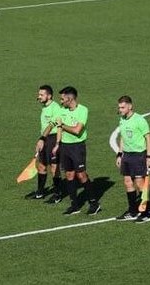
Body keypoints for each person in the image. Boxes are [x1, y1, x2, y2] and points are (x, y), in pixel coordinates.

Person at [54, 86, 101, 215]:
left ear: (70, 98)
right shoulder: (62, 110)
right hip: (65, 146)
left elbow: (77, 130)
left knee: (81, 175)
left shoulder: (83, 110)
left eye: (62, 99)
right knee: (69, 175)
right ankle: (74, 205)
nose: (61, 101)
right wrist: (57, 143)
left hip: (77, 147)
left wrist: (62, 125)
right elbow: (58, 129)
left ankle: (94, 203)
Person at [115, 95, 150, 223]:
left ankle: (145, 213)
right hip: (127, 155)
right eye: (119, 107)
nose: (120, 109)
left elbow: (148, 138)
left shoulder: (139, 120)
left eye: (122, 107)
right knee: (127, 182)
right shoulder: (122, 119)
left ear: (130, 106)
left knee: (139, 183)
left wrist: (149, 156)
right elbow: (122, 137)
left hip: (138, 155)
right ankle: (132, 211)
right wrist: (120, 154)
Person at [32, 85, 63, 203]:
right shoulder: (45, 107)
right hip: (45, 139)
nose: (39, 97)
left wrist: (42, 138)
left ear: (49, 96)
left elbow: (51, 125)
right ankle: (40, 192)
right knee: (42, 165)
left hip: (53, 138)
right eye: (39, 94)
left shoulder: (56, 108)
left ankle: (57, 194)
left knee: (54, 167)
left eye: (41, 95)